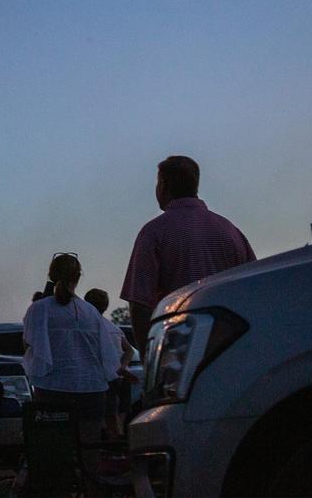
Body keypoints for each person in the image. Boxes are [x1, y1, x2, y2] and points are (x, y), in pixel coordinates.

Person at [121, 156, 256, 350]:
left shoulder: (154, 232)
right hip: (230, 347)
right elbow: (249, 291)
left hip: (179, 349)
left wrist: (147, 355)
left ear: (163, 184)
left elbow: (140, 304)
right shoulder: (231, 231)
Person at [22, 254, 121, 430]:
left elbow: (30, 346)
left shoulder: (39, 308)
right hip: (92, 388)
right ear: (77, 277)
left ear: (51, 276)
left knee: (56, 448)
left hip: (52, 388)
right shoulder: (91, 312)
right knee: (89, 448)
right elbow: (108, 354)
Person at [84, 288, 137, 438]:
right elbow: (129, 350)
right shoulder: (113, 328)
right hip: (121, 376)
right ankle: (118, 441)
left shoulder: (93, 329)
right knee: (120, 413)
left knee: (108, 415)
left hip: (106, 378)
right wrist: (123, 366)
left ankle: (113, 443)